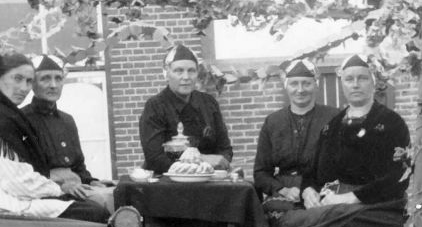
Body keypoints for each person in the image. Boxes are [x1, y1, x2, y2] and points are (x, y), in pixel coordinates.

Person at [0, 53, 108, 223]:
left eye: (28, 81)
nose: (23, 88)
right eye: (17, 79)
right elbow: (18, 183)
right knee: (94, 212)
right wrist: (60, 190)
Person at [272, 54, 411, 227]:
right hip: (332, 202)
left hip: (377, 207)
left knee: (310, 224)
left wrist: (349, 198)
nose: (355, 84)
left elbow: (399, 177)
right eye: (349, 79)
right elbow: (312, 172)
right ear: (342, 84)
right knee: (287, 221)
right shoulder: (332, 126)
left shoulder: (392, 123)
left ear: (373, 82)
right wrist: (308, 192)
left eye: (362, 78)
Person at [22, 55, 115, 213]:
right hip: (47, 194)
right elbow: (26, 172)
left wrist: (91, 182)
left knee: (119, 193)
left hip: (76, 189)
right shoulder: (22, 120)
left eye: (58, 79)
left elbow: (79, 166)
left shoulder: (67, 120)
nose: (53, 85)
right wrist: (61, 185)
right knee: (97, 208)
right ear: (32, 84)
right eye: (45, 79)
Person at [253, 58, 338, 215]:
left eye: (306, 83)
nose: (300, 89)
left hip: (324, 191)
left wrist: (314, 190)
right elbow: (260, 173)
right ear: (286, 86)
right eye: (294, 84)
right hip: (284, 194)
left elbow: (341, 165)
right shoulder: (273, 121)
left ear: (316, 85)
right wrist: (283, 190)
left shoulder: (334, 118)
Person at [139, 44, 233, 174]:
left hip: (208, 179)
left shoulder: (209, 103)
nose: (186, 77)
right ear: (166, 74)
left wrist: (221, 162)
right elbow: (154, 158)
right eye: (179, 71)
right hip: (169, 184)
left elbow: (225, 149)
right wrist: (200, 160)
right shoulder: (155, 106)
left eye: (191, 71)